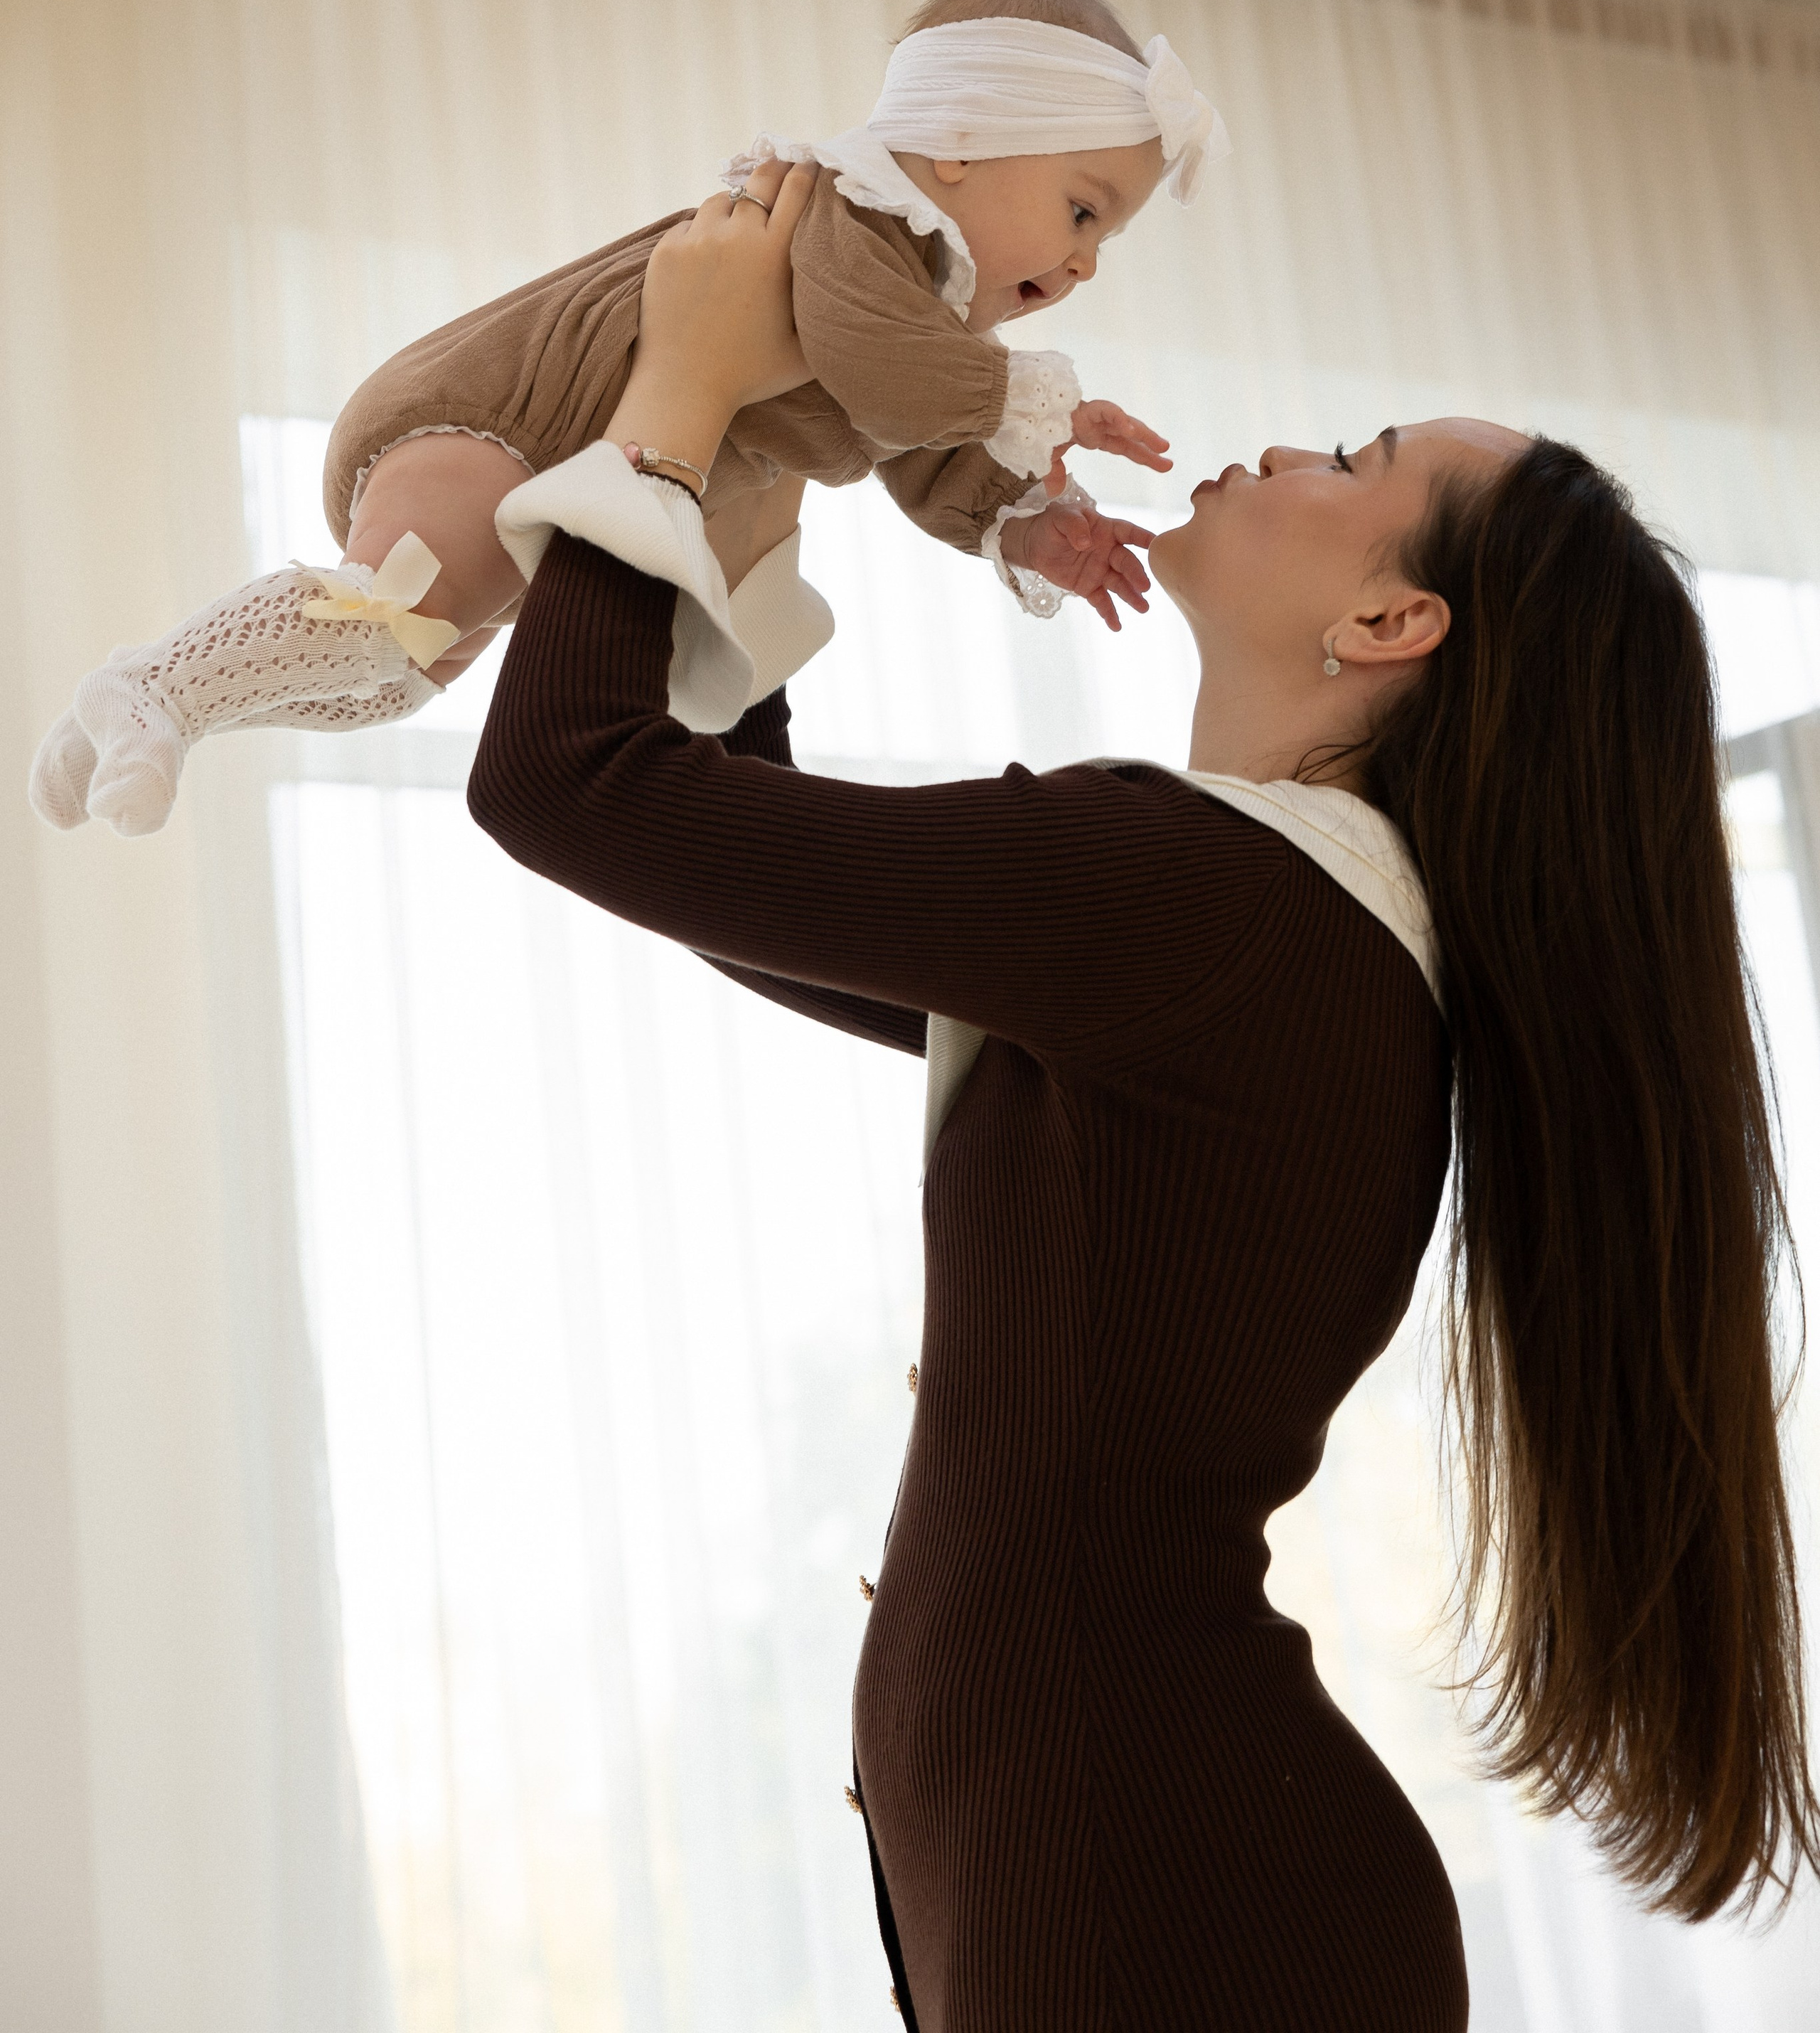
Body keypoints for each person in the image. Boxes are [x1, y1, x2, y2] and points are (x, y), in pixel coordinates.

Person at [464, 164, 1820, 2029]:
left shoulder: (1212, 906)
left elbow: (564, 787)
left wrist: (677, 407)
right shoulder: (1257, 929)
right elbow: (748, 899)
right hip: (1179, 1876)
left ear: (1392, 626)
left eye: (1356, 456)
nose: (1281, 449)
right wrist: (747, 503)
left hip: (1164, 1890)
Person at [29, 0, 1225, 838]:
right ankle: (159, 687)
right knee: (392, 605)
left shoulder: (931, 303)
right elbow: (889, 377)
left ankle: (171, 707)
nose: (1083, 266)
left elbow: (916, 436)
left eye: (1103, 238)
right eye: (1081, 210)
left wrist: (1022, 520)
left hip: (558, 478)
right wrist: (1032, 398)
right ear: (959, 140)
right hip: (502, 421)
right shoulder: (852, 211)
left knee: (402, 669)